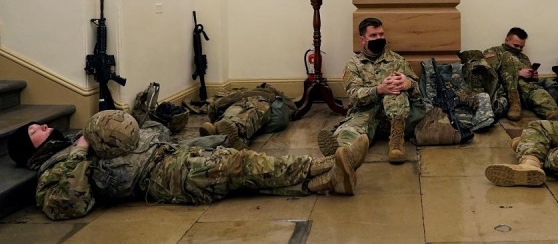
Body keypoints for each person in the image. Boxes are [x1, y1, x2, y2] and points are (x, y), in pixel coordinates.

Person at [6, 110, 369, 221]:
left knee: (244, 172)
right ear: (30, 148)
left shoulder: (72, 144)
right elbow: (68, 204)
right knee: (240, 166)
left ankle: (327, 178)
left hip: (169, 156)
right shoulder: (54, 166)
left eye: (39, 124)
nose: (43, 125)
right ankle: (320, 167)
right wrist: (81, 151)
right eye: (34, 130)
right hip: (165, 177)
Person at [318, 17, 425, 164]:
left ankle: (396, 145)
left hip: (396, 117)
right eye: (373, 36)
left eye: (381, 34)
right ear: (363, 40)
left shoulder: (397, 60)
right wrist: (378, 89)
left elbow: (417, 88)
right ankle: (341, 153)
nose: (379, 38)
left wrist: (408, 84)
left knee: (395, 91)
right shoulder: (353, 65)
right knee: (349, 131)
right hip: (366, 112)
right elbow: (354, 95)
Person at [483, 28, 558, 121]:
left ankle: (554, 113)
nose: (518, 49)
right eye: (516, 45)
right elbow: (491, 74)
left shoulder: (523, 57)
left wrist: (532, 76)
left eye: (521, 47)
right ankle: (514, 103)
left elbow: (528, 81)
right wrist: (517, 73)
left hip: (524, 90)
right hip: (503, 89)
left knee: (536, 90)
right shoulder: (493, 52)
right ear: (507, 40)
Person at [197, 84, 296, 150]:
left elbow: (216, 106)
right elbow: (291, 109)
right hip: (255, 101)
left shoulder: (246, 92)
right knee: (250, 114)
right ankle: (233, 132)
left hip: (244, 102)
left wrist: (215, 110)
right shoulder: (268, 94)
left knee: (240, 112)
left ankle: (220, 131)